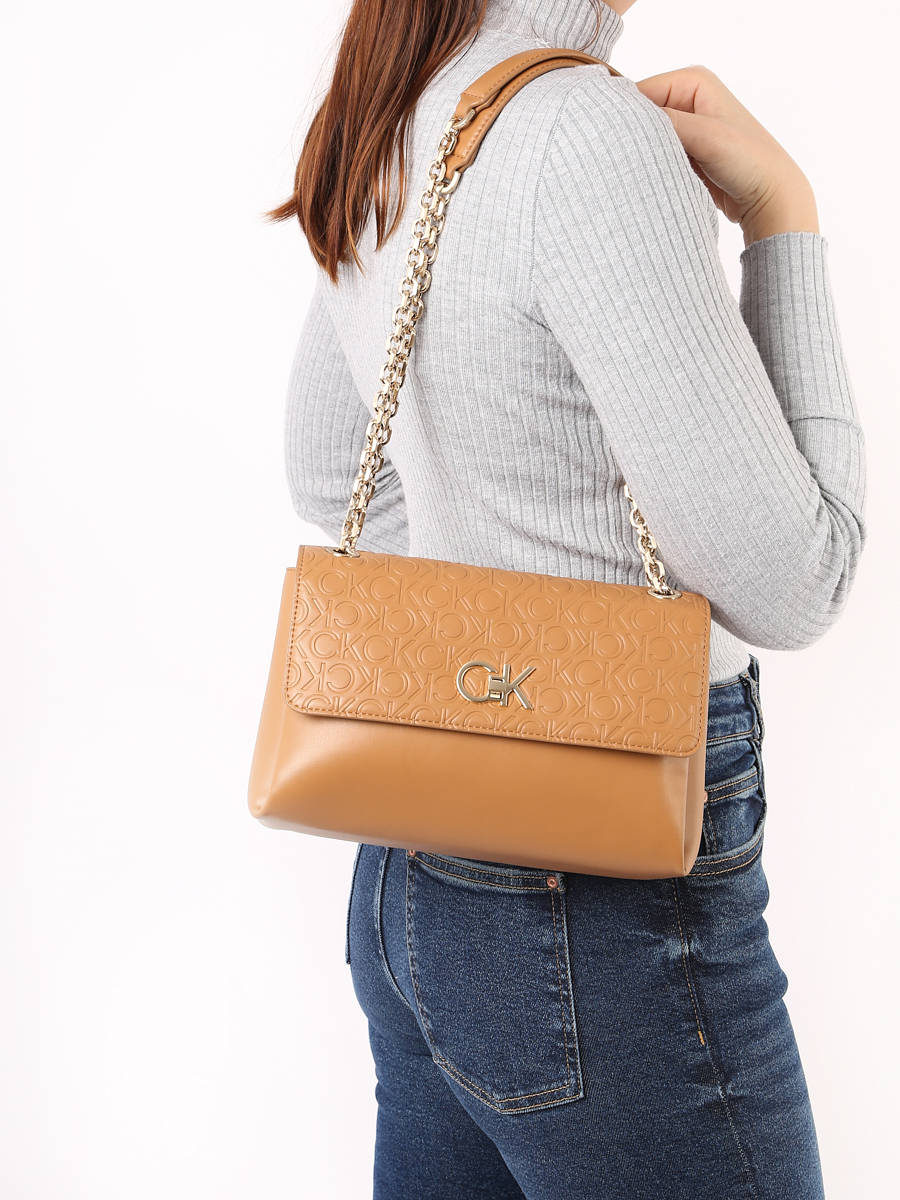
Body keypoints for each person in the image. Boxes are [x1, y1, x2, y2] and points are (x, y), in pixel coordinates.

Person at [267, 1, 866, 1195]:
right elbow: (802, 577)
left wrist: (491, 661)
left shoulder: (399, 99)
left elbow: (331, 470)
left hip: (410, 880)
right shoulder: (583, 134)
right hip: (596, 910)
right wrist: (783, 216)